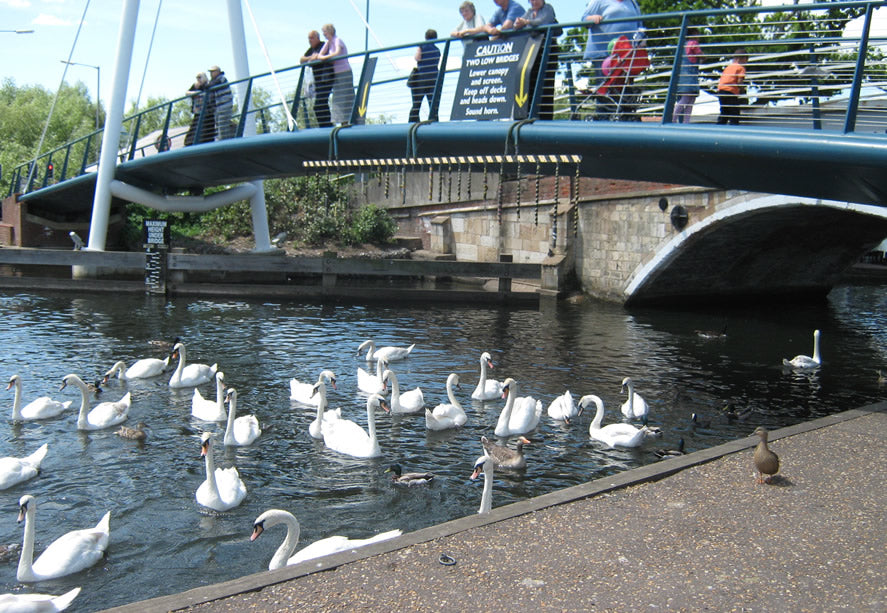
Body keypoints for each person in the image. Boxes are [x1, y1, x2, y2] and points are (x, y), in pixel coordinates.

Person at [514, 0, 562, 120]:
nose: (534, 2)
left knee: (546, 85)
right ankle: (530, 116)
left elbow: (543, 21)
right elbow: (518, 24)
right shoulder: (529, 12)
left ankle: (545, 117)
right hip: (533, 51)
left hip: (548, 50)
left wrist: (527, 22)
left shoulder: (548, 8)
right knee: (531, 81)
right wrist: (518, 23)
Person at [581, 0, 642, 80]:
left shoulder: (632, 2)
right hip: (603, 53)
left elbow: (640, 25)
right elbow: (584, 19)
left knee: (625, 87)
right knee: (606, 86)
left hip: (627, 53)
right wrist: (593, 18)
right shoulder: (599, 1)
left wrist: (640, 40)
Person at [315, 24, 362, 125]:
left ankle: (352, 120)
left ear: (330, 31)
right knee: (338, 98)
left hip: (345, 72)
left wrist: (326, 57)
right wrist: (325, 57)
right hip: (337, 74)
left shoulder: (337, 40)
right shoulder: (329, 42)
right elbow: (320, 55)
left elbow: (337, 52)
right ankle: (343, 122)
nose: (323, 34)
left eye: (325, 32)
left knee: (346, 97)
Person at [300, 30, 333, 128]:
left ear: (317, 38)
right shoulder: (312, 49)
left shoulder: (323, 45)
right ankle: (326, 126)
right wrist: (311, 57)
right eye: (308, 38)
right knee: (321, 104)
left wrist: (315, 57)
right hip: (318, 81)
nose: (309, 40)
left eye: (311, 38)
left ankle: (327, 126)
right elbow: (301, 60)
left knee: (319, 104)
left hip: (326, 79)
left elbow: (319, 57)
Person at [408, 29, 442, 123]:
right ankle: (434, 123)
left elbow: (417, 58)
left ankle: (413, 123)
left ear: (425, 37)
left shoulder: (421, 45)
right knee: (432, 104)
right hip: (434, 77)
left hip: (421, 77)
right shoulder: (437, 50)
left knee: (416, 104)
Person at [673, 28, 702, 124]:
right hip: (690, 76)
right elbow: (699, 54)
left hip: (683, 75)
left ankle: (684, 120)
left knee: (689, 98)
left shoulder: (682, 45)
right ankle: (674, 117)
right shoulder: (693, 43)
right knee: (687, 99)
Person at [717, 48, 747, 125]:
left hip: (721, 90)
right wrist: (742, 90)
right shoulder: (741, 68)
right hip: (730, 91)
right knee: (735, 112)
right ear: (742, 59)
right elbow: (739, 81)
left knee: (724, 111)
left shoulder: (728, 67)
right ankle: (734, 127)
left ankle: (719, 126)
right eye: (746, 61)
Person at [184, 72, 213, 146]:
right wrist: (195, 92)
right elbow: (187, 93)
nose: (198, 79)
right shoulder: (196, 86)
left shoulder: (208, 84)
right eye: (197, 78)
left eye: (200, 77)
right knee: (195, 127)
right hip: (198, 112)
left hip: (207, 112)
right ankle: (191, 142)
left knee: (207, 128)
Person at [207, 65, 235, 140]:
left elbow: (210, 86)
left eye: (213, 72)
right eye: (210, 72)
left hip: (224, 106)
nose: (211, 74)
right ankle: (222, 139)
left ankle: (225, 141)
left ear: (218, 72)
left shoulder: (222, 79)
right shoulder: (213, 81)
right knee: (219, 124)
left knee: (223, 124)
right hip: (218, 108)